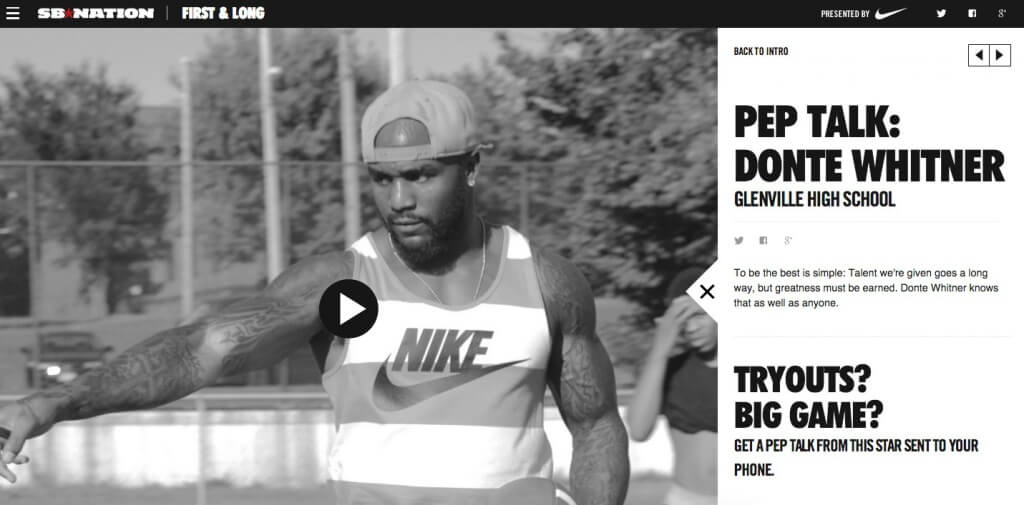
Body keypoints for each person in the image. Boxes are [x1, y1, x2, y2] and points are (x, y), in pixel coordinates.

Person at [0, 80, 629, 505]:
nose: (399, 200)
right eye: (382, 179)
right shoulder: (345, 286)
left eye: (420, 176)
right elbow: (201, 350)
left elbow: (597, 424)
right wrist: (55, 401)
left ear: (470, 168)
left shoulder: (545, 282)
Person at [626, 267, 717, 505]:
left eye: (700, 315)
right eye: (683, 321)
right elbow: (638, 430)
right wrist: (661, 346)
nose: (692, 328)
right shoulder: (670, 370)